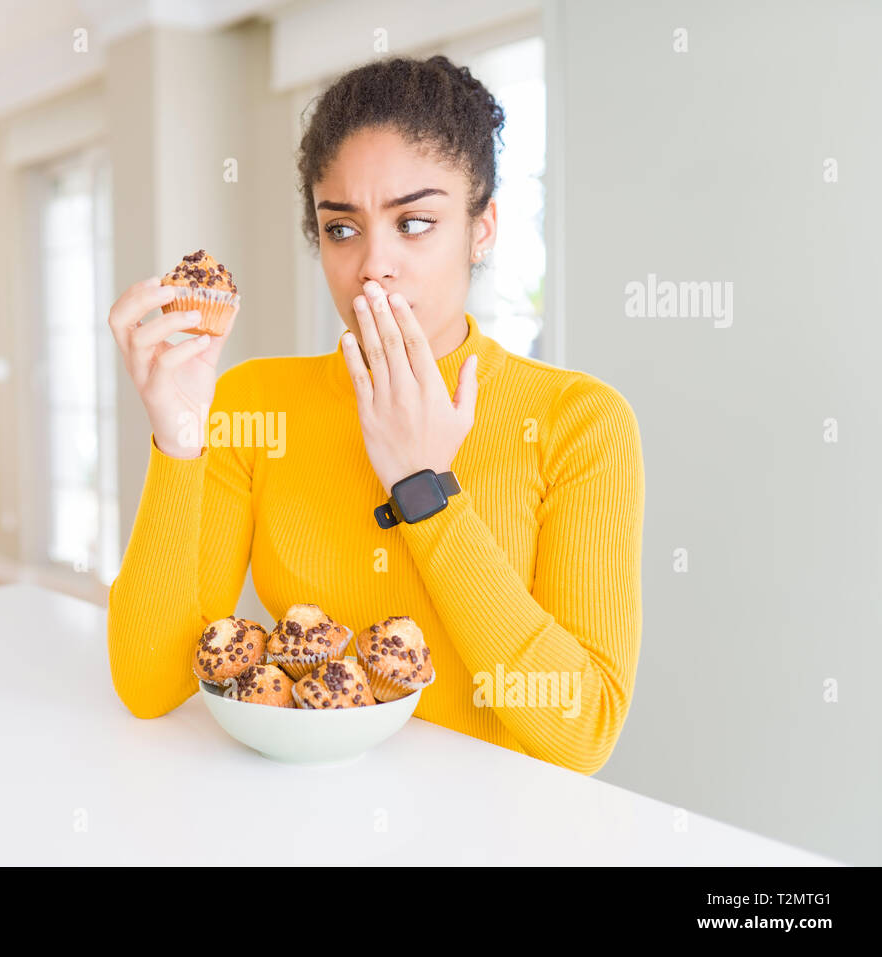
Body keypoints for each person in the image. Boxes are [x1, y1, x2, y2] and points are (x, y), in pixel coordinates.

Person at [105, 54, 645, 775]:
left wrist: (425, 490)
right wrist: (176, 445)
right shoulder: (252, 403)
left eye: (415, 222)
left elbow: (584, 731)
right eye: (341, 229)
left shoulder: (580, 424)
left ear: (482, 228)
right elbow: (149, 683)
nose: (372, 265)